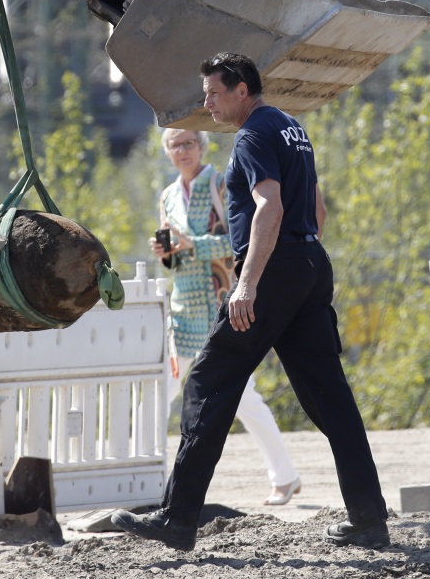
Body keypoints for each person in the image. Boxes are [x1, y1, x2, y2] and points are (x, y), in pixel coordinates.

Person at [113, 52, 390, 552]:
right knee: (332, 399)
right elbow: (315, 207)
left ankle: (177, 520)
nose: (207, 103)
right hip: (306, 265)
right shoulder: (291, 128)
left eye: (214, 93)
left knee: (207, 382)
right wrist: (299, 259)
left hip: (274, 271)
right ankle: (369, 519)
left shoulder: (256, 133)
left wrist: (250, 283)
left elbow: (270, 206)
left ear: (243, 90)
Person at [152, 126, 302, 507]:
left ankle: (284, 476)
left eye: (189, 143)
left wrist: (194, 245)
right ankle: (152, 481)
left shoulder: (221, 184)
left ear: (202, 147)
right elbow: (174, 260)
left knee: (242, 396)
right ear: (167, 152)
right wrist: (166, 252)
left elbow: (242, 241)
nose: (182, 150)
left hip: (223, 303)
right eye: (175, 145)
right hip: (184, 308)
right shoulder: (167, 196)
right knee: (165, 392)